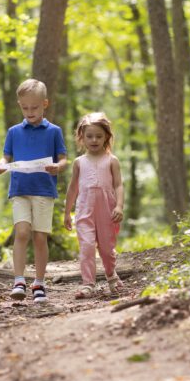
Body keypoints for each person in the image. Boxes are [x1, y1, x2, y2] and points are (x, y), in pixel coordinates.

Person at [0, 79, 67, 303]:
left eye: (34, 107)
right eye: (25, 108)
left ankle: (39, 282)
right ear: (19, 105)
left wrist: (58, 167)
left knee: (39, 236)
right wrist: (0, 164)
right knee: (22, 232)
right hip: (20, 189)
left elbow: (64, 158)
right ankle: (19, 280)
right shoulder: (14, 132)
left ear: (44, 104)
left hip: (44, 190)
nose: (29, 112)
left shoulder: (54, 131)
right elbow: (6, 156)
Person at [64, 112, 125, 298]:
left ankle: (111, 275)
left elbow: (118, 185)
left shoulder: (112, 160)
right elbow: (73, 188)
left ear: (107, 136)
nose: (94, 140)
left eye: (99, 136)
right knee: (87, 246)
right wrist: (67, 212)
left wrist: (119, 206)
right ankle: (88, 284)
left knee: (107, 248)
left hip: (107, 210)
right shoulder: (79, 162)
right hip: (84, 210)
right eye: (89, 136)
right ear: (81, 137)